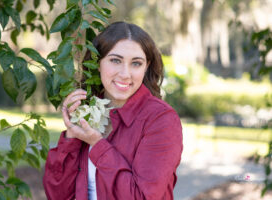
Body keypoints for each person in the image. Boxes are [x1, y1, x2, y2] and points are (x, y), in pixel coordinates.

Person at [43, 21, 183, 200]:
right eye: (115, 60)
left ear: (146, 66)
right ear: (97, 63)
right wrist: (72, 136)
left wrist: (98, 144)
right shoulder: (88, 111)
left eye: (136, 63)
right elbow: (57, 195)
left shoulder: (161, 120)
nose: (125, 74)